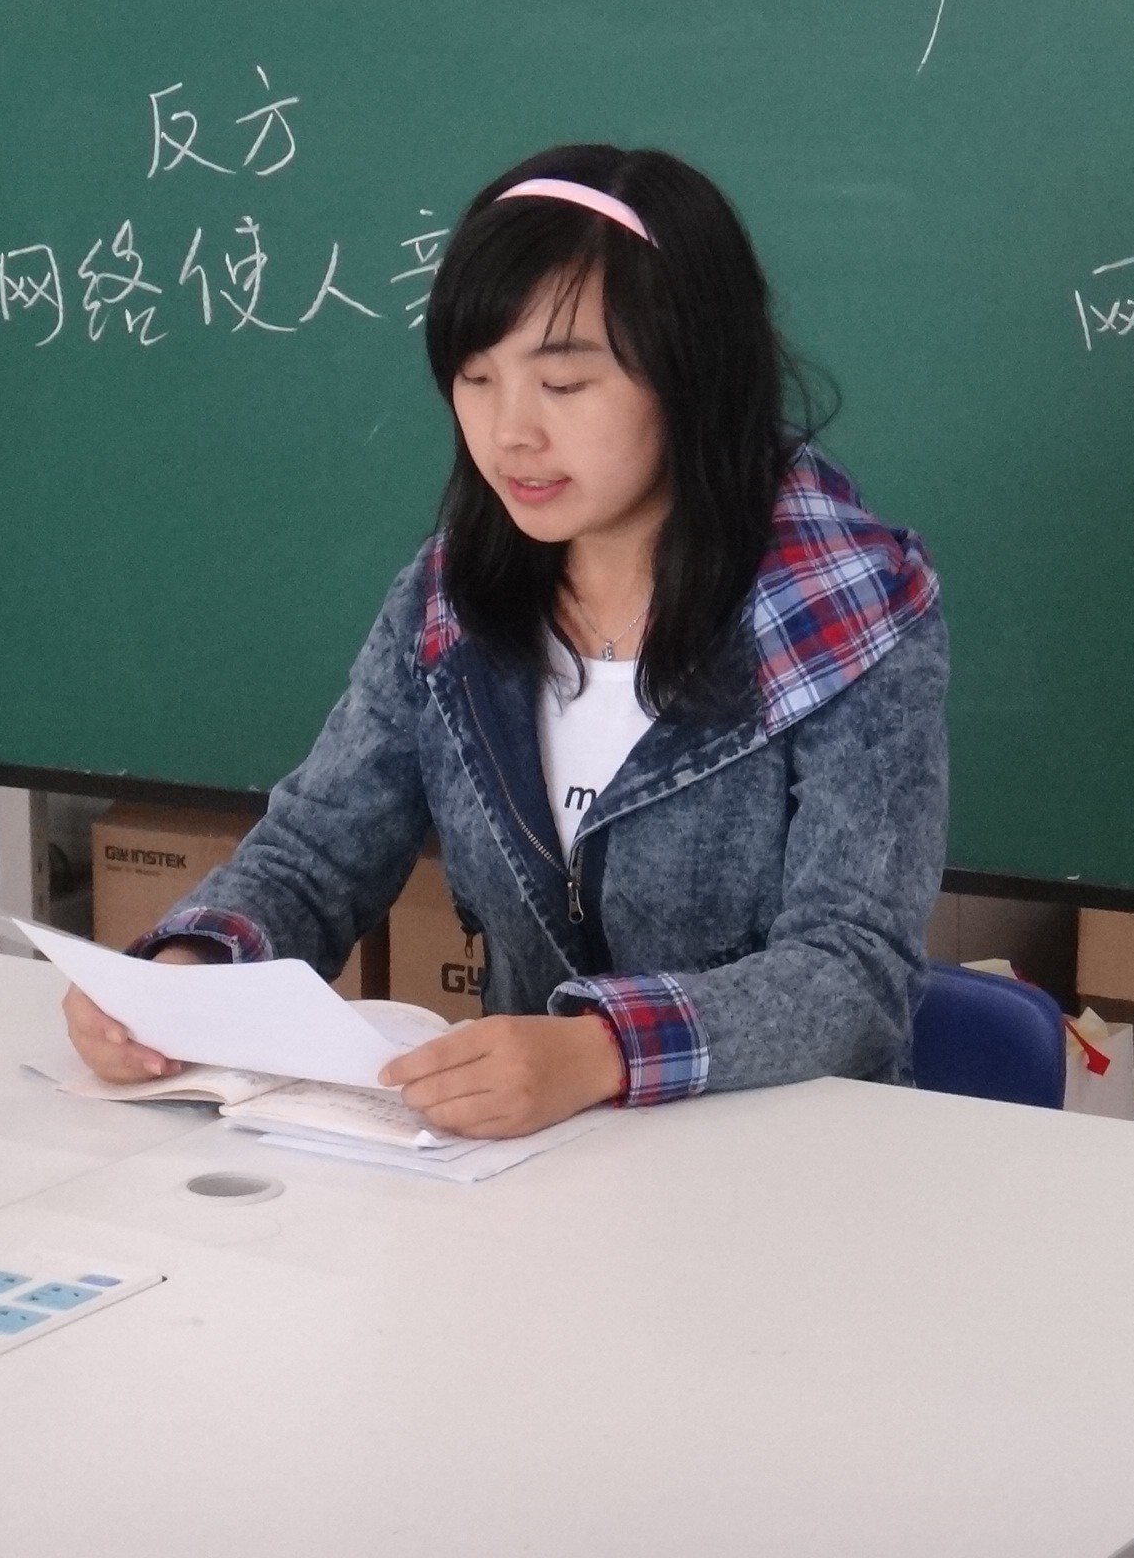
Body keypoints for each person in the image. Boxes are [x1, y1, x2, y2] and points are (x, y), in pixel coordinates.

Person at [61, 144, 948, 1139]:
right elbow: (317, 854)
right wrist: (187, 975)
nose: (509, 431)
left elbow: (852, 967)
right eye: (476, 378)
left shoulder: (849, 610)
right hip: (526, 1171)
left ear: (694, 372)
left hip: (786, 1167)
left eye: (563, 385)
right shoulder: (450, 600)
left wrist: (600, 1051)